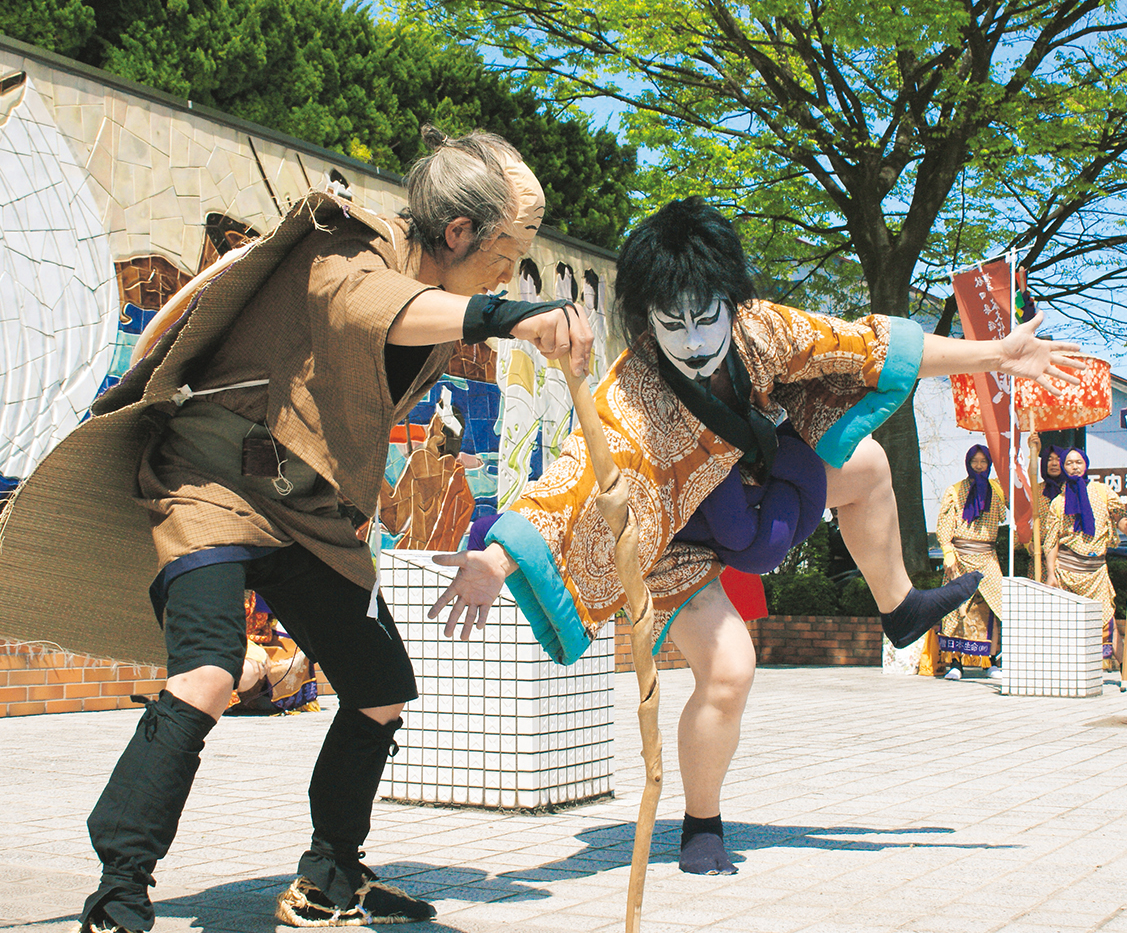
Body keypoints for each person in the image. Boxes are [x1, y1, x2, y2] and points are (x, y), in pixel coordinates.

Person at [62, 126, 594, 933]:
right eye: (507, 252)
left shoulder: (428, 287)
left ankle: (328, 877)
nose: (509, 273)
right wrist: (514, 318)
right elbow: (376, 309)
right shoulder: (347, 252)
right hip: (214, 484)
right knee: (207, 674)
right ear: (457, 233)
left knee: (381, 686)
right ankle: (115, 905)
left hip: (309, 516)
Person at [429, 198, 1082, 876]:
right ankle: (701, 823)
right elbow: (571, 480)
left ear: (729, 302)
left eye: (705, 316)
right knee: (731, 671)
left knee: (867, 465)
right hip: (676, 539)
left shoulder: (763, 331)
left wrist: (996, 354)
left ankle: (899, 606)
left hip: (754, 489)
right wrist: (497, 559)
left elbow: (870, 344)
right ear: (648, 319)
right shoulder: (632, 398)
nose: (692, 338)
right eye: (671, 323)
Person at [1040, 448, 1127, 683]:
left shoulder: (1103, 492)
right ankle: (1065, 671)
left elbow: (1119, 518)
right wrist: (1051, 573)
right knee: (1065, 625)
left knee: (1108, 620)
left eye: (1078, 462)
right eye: (1069, 463)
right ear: (1064, 468)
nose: (1074, 467)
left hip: (1095, 569)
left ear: (1085, 464)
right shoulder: (1058, 502)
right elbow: (1051, 541)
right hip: (1067, 570)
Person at [935, 446, 1007, 680]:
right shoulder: (955, 491)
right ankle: (955, 663)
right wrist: (948, 551)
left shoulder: (997, 490)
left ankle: (990, 661)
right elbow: (945, 525)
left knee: (995, 607)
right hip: (961, 557)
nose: (979, 465)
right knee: (958, 608)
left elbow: (1012, 508)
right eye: (974, 461)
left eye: (983, 461)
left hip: (987, 557)